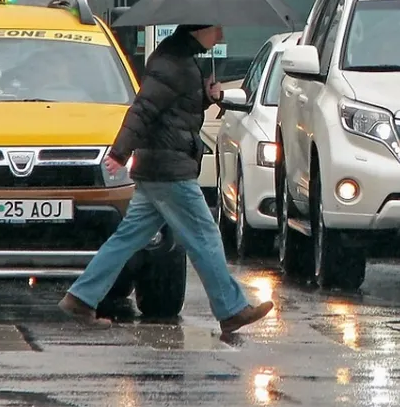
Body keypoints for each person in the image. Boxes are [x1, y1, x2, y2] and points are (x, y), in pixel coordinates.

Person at [58, 24, 275, 333]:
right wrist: (119, 152)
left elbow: (173, 110)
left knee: (127, 238)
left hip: (159, 166)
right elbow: (143, 109)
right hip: (168, 168)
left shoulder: (179, 60)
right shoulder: (174, 64)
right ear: (199, 29)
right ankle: (231, 309)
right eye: (217, 30)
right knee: (205, 237)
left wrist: (207, 96)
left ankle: (80, 298)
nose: (221, 38)